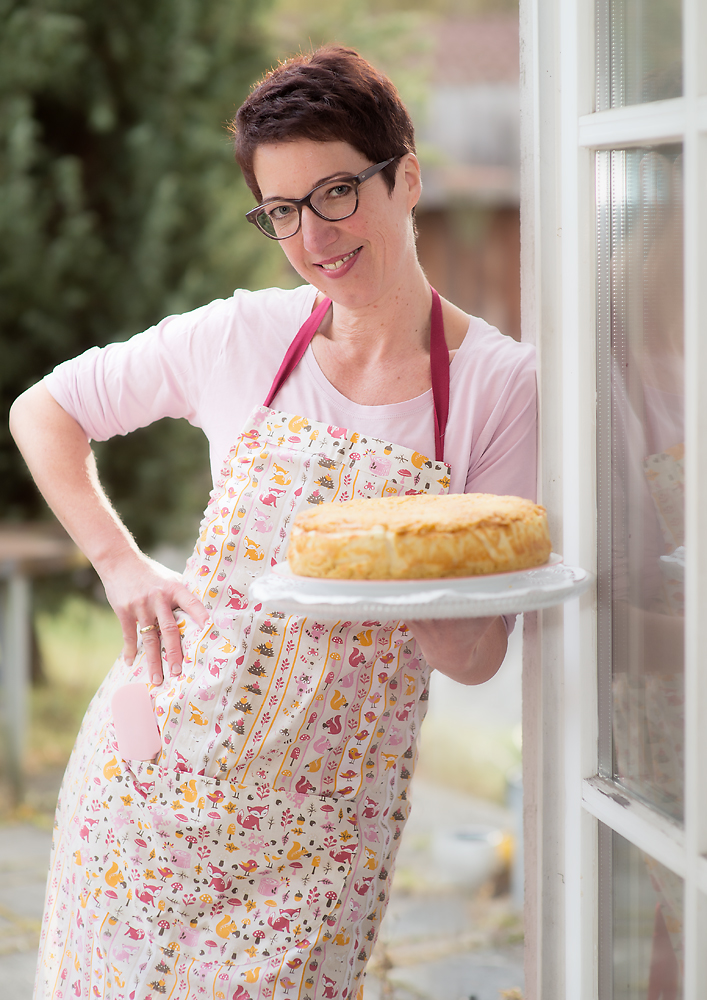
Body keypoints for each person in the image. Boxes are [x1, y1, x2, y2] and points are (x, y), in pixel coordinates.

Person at [10, 46, 536, 1000]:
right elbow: (42, 410)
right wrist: (119, 564)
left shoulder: (500, 387)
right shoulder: (241, 335)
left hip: (319, 836)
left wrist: (395, 575)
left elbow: (475, 658)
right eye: (282, 212)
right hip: (150, 790)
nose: (314, 237)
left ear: (405, 177)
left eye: (336, 192)